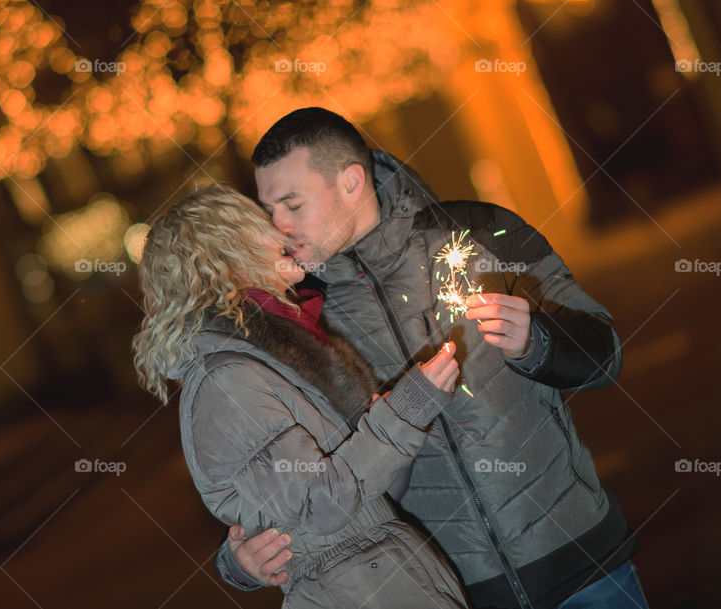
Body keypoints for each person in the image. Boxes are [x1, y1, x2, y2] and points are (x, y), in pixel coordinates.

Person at [215, 107, 648, 609]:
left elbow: (605, 354)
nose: (279, 227)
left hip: (585, 569)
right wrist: (240, 563)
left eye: (292, 204)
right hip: (445, 594)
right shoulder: (299, 315)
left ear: (351, 183)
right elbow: (288, 466)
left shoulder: (481, 234)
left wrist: (538, 342)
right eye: (271, 210)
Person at [132, 185, 469, 608]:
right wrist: (406, 411)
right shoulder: (228, 380)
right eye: (260, 224)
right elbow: (320, 506)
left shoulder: (283, 348)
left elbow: (370, 492)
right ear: (225, 257)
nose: (281, 230)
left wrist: (392, 419)